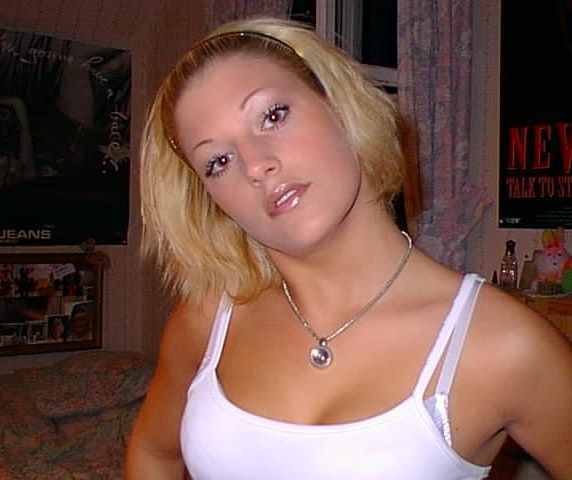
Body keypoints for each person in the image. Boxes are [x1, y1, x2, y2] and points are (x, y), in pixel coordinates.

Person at [125, 17, 572, 479]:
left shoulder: (504, 345)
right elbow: (154, 452)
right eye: (218, 161)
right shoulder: (208, 320)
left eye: (272, 116)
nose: (256, 166)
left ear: (338, 104)